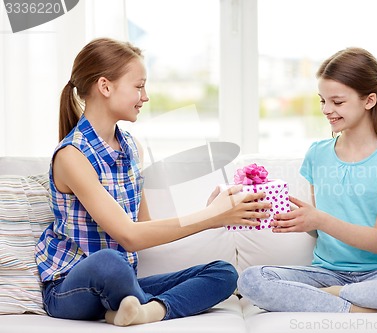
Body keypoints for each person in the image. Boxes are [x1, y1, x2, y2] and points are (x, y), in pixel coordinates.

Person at [34, 37, 270, 326]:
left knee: (223, 273)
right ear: (105, 86)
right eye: (138, 86)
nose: (145, 97)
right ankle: (138, 306)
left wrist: (212, 211)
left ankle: (143, 312)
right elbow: (129, 236)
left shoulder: (132, 148)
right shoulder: (72, 156)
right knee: (109, 262)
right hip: (71, 288)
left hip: (124, 286)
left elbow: (144, 228)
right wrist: (210, 216)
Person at [237, 47, 377, 313]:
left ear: (369, 100)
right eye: (322, 101)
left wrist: (319, 219)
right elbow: (320, 228)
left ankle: (334, 298)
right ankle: (362, 306)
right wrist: (292, 216)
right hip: (326, 274)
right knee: (251, 279)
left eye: (337, 102)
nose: (327, 110)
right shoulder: (318, 154)